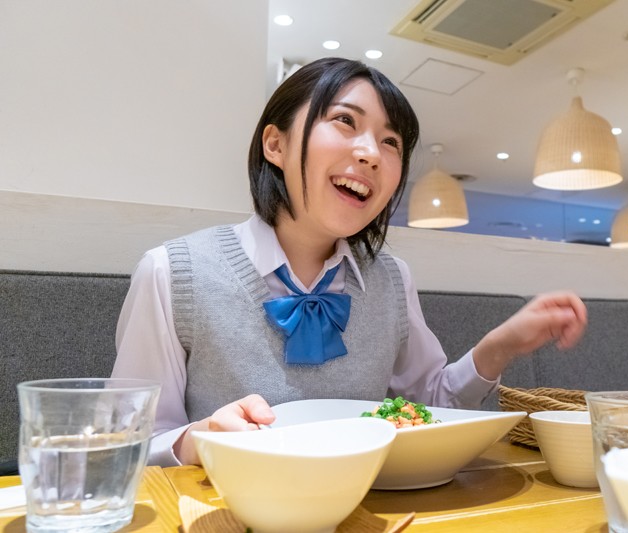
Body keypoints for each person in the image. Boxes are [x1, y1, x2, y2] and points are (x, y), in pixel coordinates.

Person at [112, 57, 587, 467]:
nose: (371, 153)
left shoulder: (391, 280)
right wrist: (199, 439)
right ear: (275, 144)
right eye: (344, 120)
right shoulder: (173, 273)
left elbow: (431, 407)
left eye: (391, 142)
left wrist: (500, 346)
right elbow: (125, 447)